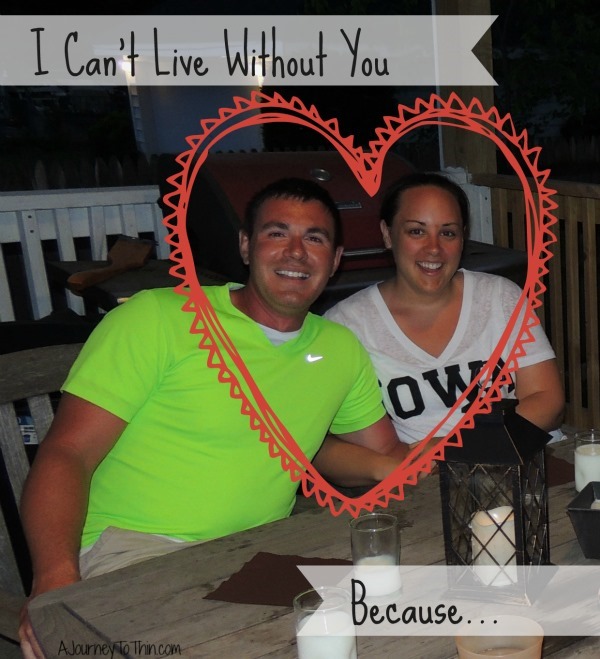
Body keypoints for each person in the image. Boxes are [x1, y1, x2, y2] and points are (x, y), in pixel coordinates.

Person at [19, 177, 409, 657]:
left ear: (335, 259)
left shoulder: (339, 349)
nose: (295, 252)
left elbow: (383, 454)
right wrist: (55, 583)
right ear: (245, 245)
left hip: (255, 557)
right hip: (136, 551)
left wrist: (443, 455)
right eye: (276, 233)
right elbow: (66, 454)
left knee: (398, 621)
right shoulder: (159, 318)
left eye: (315, 238)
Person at [325, 172, 565, 447]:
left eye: (448, 233)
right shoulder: (347, 324)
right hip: (421, 472)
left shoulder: (499, 296)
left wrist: (450, 448)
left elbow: (548, 401)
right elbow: (329, 436)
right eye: (417, 231)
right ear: (387, 234)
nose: (434, 248)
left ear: (463, 238)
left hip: (524, 459)